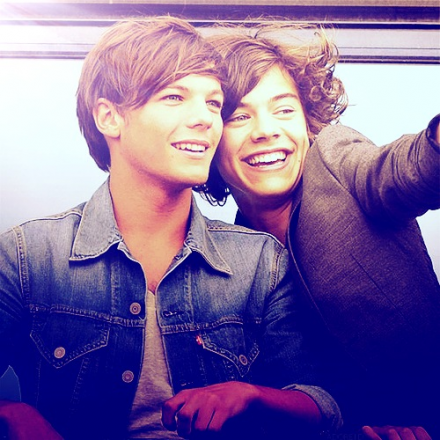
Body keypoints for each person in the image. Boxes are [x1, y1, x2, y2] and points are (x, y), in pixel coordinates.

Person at [0, 17, 342, 440]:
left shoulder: (260, 263)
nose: (205, 119)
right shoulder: (28, 255)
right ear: (109, 116)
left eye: (214, 103)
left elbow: (323, 406)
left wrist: (250, 395)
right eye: (175, 97)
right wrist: (11, 413)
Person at [200, 24, 440, 439]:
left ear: (306, 122)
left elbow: (398, 170)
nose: (265, 130)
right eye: (239, 116)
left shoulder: (336, 161)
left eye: (283, 110)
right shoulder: (232, 260)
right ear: (210, 139)